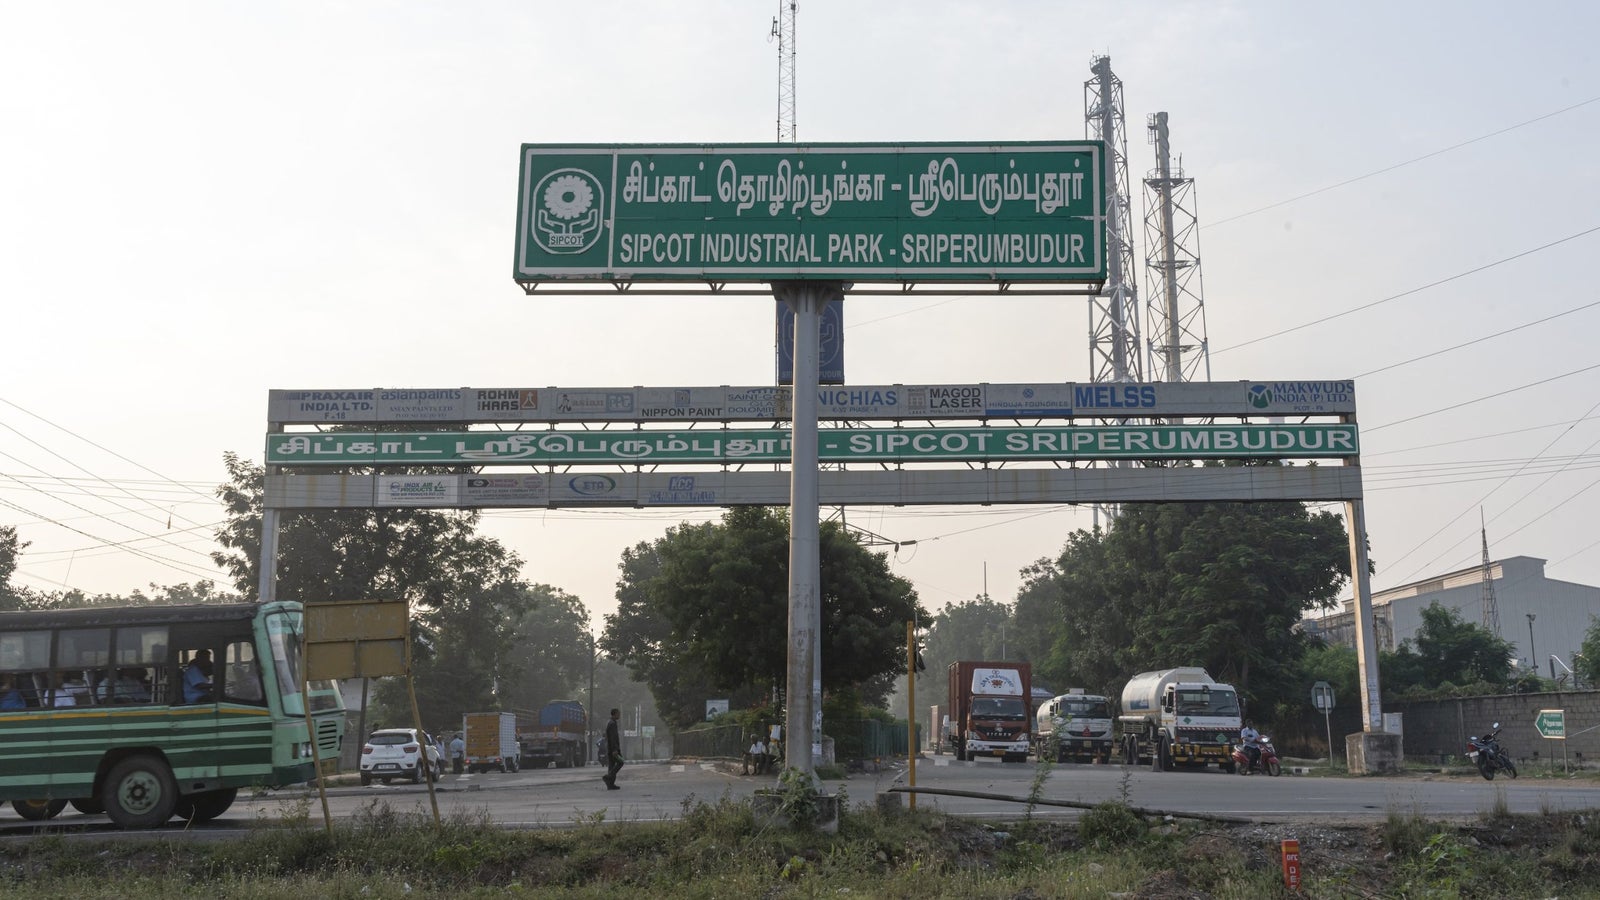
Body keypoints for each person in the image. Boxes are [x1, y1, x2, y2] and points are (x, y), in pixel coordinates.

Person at [602, 707, 623, 790]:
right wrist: (615, 749)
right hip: (613, 749)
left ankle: (610, 785)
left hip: (610, 748)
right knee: (621, 762)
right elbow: (612, 737)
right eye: (618, 714)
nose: (619, 715)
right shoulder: (612, 724)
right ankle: (608, 777)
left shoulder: (611, 722)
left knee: (611, 766)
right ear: (614, 714)